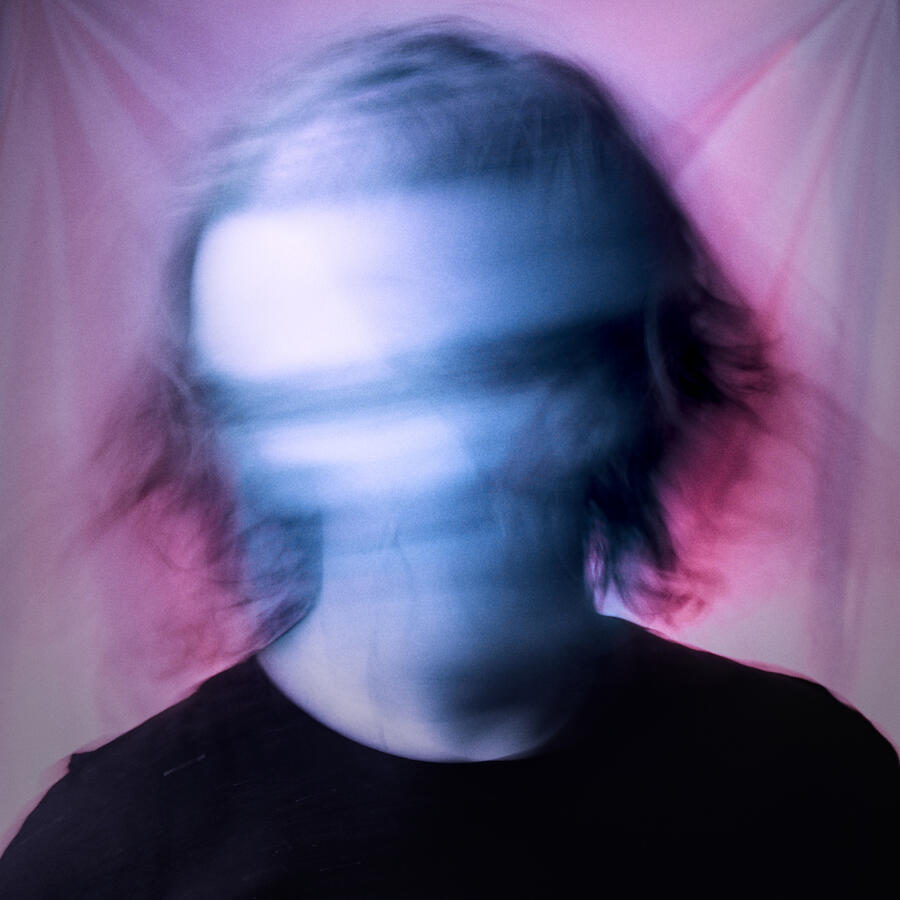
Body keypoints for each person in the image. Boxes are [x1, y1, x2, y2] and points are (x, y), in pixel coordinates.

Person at [1, 20, 897, 898]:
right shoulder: (111, 858)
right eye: (337, 386)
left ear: (626, 384)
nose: (425, 452)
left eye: (484, 367)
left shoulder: (817, 786)